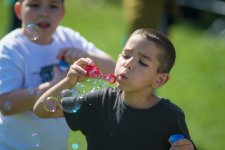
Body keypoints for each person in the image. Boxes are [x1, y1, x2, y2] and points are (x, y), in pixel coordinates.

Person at [34, 28, 196, 150]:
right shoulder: (99, 102)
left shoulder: (170, 116)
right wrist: (68, 82)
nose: (128, 63)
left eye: (143, 62)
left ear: (159, 80)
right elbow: (41, 109)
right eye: (126, 55)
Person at [0, 0, 115, 149]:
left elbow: (112, 69)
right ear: (18, 10)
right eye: (34, 5)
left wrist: (87, 56)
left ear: (62, 13)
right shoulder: (10, 49)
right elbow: (5, 104)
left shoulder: (68, 38)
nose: (44, 12)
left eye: (53, 6)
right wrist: (55, 85)